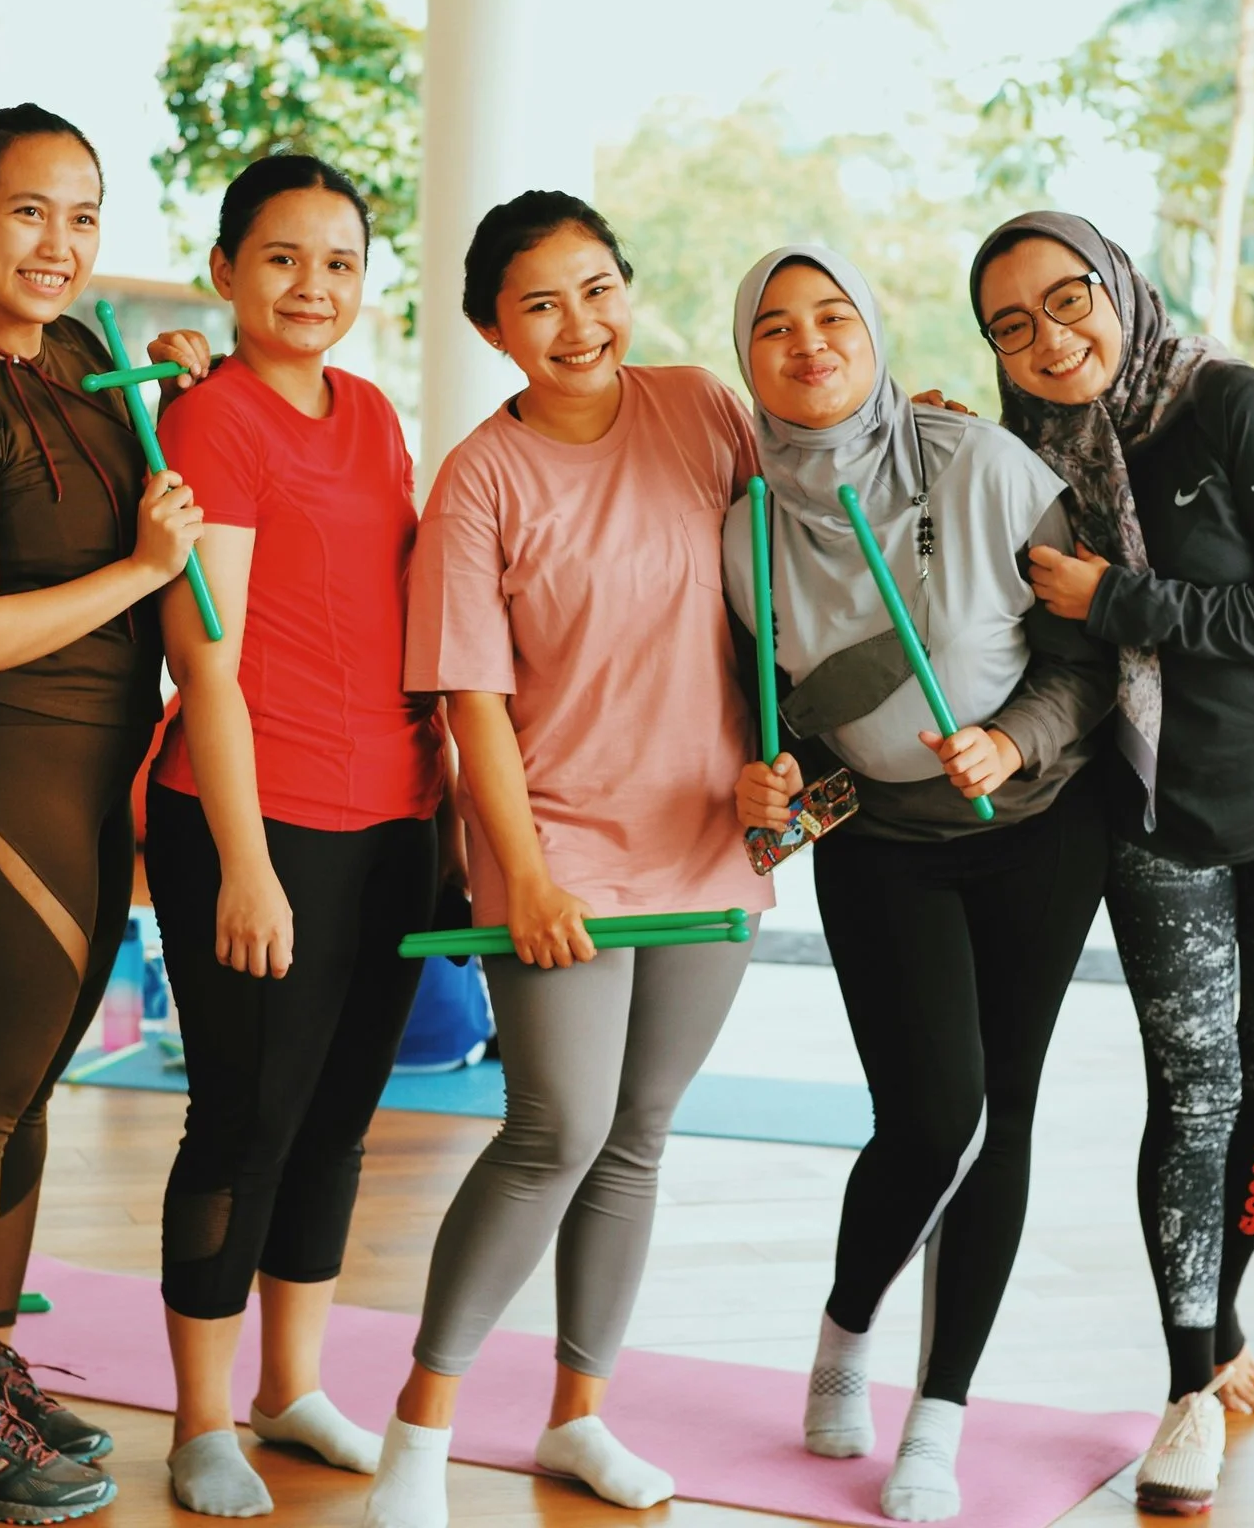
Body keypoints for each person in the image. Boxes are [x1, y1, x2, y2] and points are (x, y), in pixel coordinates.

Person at [972, 212, 1254, 1516]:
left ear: (1120, 286)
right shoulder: (1030, 454)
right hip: (1157, 814)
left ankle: (1230, 1310)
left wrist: (1121, 601)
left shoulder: (1239, 408)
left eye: (1067, 299)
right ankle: (1189, 1384)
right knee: (1192, 1096)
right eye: (1011, 326)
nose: (1050, 339)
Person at [362, 192, 768, 1528]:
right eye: (541, 302)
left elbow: (807, 540)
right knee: (554, 1128)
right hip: (561, 844)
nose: (579, 324)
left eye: (598, 289)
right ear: (494, 328)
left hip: (709, 832)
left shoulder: (703, 410)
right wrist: (519, 872)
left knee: (639, 1136)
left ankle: (578, 1420)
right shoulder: (479, 476)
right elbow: (470, 696)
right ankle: (420, 1430)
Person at [722, 247, 1115, 1522]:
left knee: (1003, 1107)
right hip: (884, 847)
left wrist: (1014, 737)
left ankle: (937, 1414)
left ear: (875, 331)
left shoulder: (984, 465)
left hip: (1039, 830)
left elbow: (1085, 660)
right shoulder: (746, 527)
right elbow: (777, 717)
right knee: (928, 1115)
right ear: (748, 361)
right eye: (775, 328)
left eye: (833, 316)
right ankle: (845, 1334)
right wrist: (773, 780)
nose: (810, 343)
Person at [0, 103, 208, 1524]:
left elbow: (131, 469)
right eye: (28, 212)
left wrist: (175, 396)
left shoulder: (80, 354)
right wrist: (143, 573)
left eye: (83, 215)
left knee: (28, 1093)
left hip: (89, 778)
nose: (60, 244)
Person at [146, 153, 443, 1520]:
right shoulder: (215, 418)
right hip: (250, 815)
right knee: (245, 1119)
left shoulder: (376, 413)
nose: (312, 285)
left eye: (337, 261)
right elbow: (207, 658)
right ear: (224, 271)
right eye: (280, 257)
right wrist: (249, 858)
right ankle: (203, 1421)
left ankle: (291, 1389)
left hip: (387, 810)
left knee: (336, 1124)